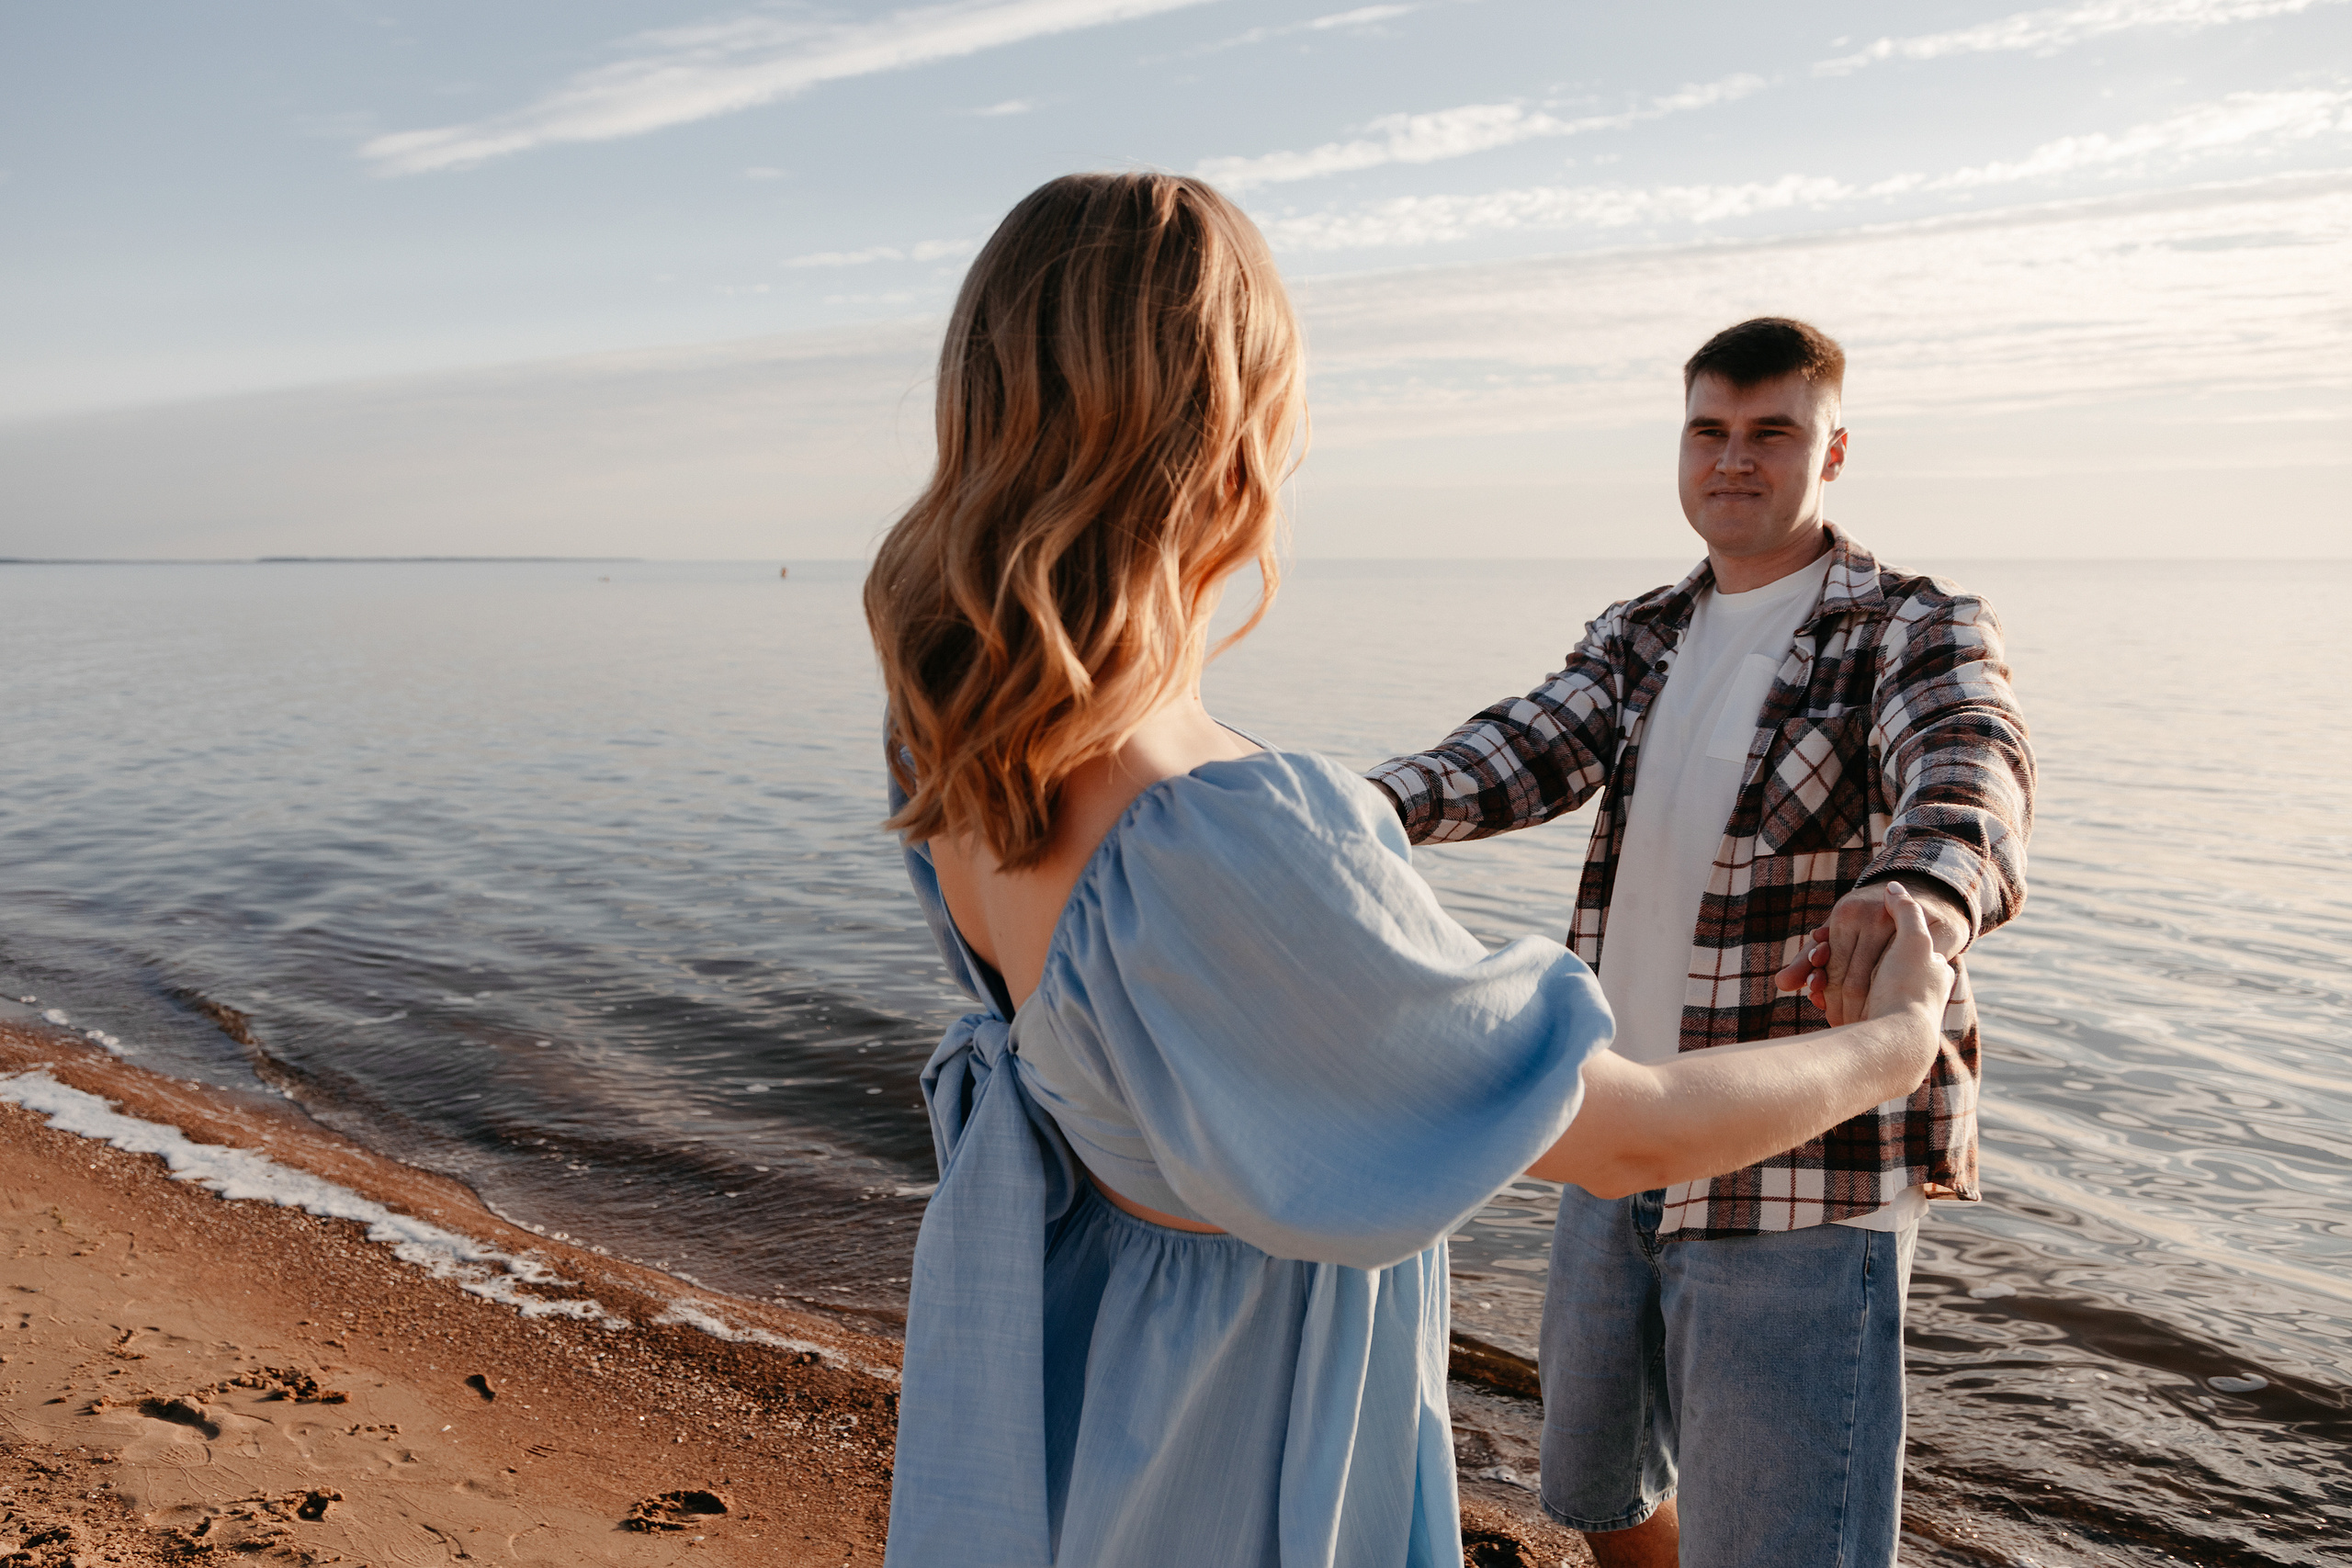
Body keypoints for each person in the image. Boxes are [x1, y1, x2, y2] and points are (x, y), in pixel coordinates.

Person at [866, 183, 1957, 1568]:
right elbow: (1623, 1131)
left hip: (1092, 1394)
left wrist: (1347, 837)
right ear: (1233, 430)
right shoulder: (1223, 834)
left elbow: (1959, 775)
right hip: (1234, 1439)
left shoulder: (953, 735)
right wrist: (1891, 1043)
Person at [1368, 316, 2036, 1568]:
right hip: (1620, 1123)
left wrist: (1920, 900)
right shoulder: (1644, 635)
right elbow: (1516, 750)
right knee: (1596, 1487)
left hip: (1797, 1160)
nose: (1735, 461)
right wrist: (1340, 813)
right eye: (1709, 432)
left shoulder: (1910, 625)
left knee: (1783, 1541)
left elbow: (1970, 770)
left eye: (1772, 433)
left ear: (1831, 452)